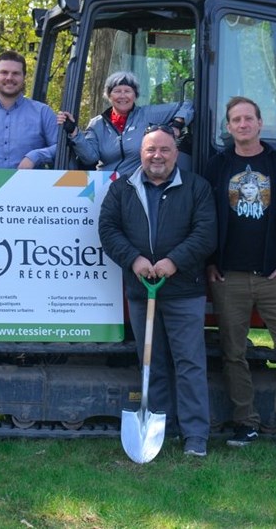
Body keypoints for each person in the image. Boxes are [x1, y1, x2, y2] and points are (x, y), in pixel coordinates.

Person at [98, 125, 216, 457]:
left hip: (184, 291)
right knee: (152, 362)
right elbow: (108, 229)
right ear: (141, 153)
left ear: (176, 153)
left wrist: (173, 261)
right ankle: (161, 428)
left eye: (164, 149)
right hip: (142, 291)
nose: (157, 156)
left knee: (190, 363)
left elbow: (206, 233)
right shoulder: (122, 189)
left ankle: (195, 434)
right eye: (151, 150)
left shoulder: (196, 187)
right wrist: (133, 260)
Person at [203, 97, 276, 455]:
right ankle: (245, 423)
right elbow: (205, 218)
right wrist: (210, 262)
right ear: (228, 127)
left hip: (274, 277)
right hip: (229, 277)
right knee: (233, 353)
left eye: (249, 118)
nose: (243, 124)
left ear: (260, 123)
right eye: (236, 120)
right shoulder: (217, 166)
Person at [58, 71, 193, 179]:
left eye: (127, 91)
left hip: (138, 185)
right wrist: (74, 132)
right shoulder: (97, 124)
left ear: (135, 95)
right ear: (109, 96)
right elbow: (90, 158)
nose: (122, 96)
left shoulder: (148, 114)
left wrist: (177, 126)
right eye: (117, 91)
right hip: (106, 184)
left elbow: (188, 105)